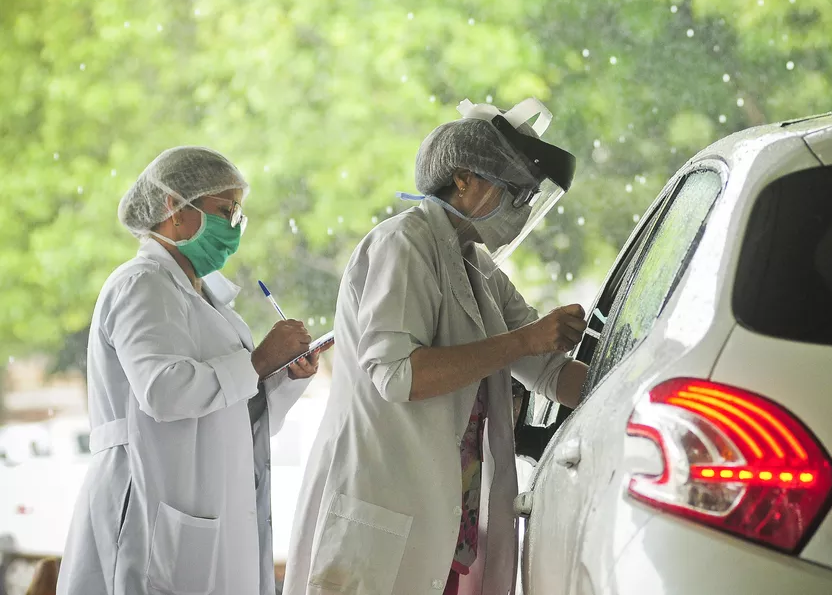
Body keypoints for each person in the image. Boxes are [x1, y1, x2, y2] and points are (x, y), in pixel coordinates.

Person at [284, 98, 589, 595]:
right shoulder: (401, 246)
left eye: (529, 197)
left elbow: (549, 372)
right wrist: (523, 340)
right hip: (383, 507)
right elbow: (399, 375)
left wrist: (634, 394)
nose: (521, 209)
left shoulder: (480, 270)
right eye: (513, 191)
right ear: (462, 179)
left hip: (442, 518)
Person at [58, 147, 325, 595]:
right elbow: (163, 391)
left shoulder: (207, 299)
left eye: (238, 215)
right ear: (174, 207)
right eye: (225, 211)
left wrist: (281, 377)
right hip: (155, 506)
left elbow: (232, 412)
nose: (233, 228)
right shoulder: (140, 283)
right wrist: (259, 360)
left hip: (208, 510)